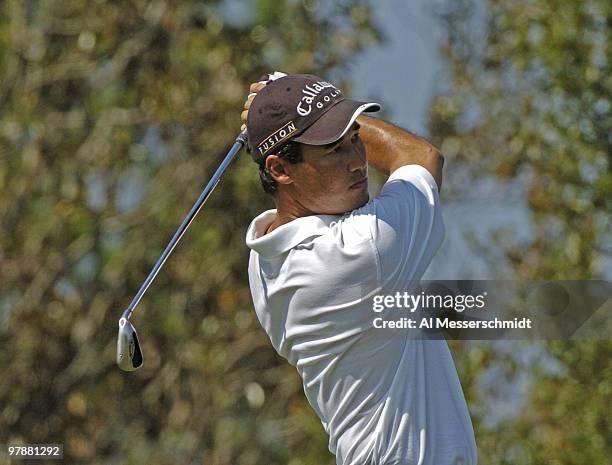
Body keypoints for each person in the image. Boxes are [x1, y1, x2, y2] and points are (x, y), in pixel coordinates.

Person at [241, 73, 478, 465]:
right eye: (334, 149)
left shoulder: (263, 258)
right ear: (280, 169)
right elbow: (421, 158)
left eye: (355, 138)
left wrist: (311, 114)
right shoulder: (363, 251)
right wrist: (296, 93)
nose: (358, 162)